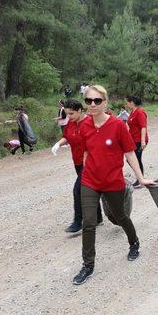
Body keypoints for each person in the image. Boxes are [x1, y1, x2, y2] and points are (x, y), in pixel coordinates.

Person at [72, 85, 155, 285]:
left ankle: (134, 242)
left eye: (97, 101)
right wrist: (84, 170)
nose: (92, 104)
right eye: (88, 101)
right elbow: (85, 152)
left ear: (105, 102)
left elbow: (129, 152)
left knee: (119, 216)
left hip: (113, 181)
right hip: (90, 180)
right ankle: (88, 265)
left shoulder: (118, 125)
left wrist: (141, 178)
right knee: (89, 221)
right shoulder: (84, 126)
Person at [51, 98, 103, 233]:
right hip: (78, 162)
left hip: (90, 163)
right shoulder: (71, 123)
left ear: (80, 110)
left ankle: (78, 221)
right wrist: (58, 144)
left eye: (71, 113)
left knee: (78, 190)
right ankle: (98, 218)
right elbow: (67, 136)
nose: (69, 116)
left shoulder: (90, 123)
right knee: (91, 188)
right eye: (67, 114)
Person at [125, 95, 149, 188]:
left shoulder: (140, 112)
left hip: (139, 140)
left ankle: (140, 180)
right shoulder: (133, 112)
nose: (126, 104)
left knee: (136, 160)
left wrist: (143, 141)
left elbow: (143, 127)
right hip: (133, 140)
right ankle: (139, 178)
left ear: (132, 102)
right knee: (130, 160)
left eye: (127, 102)